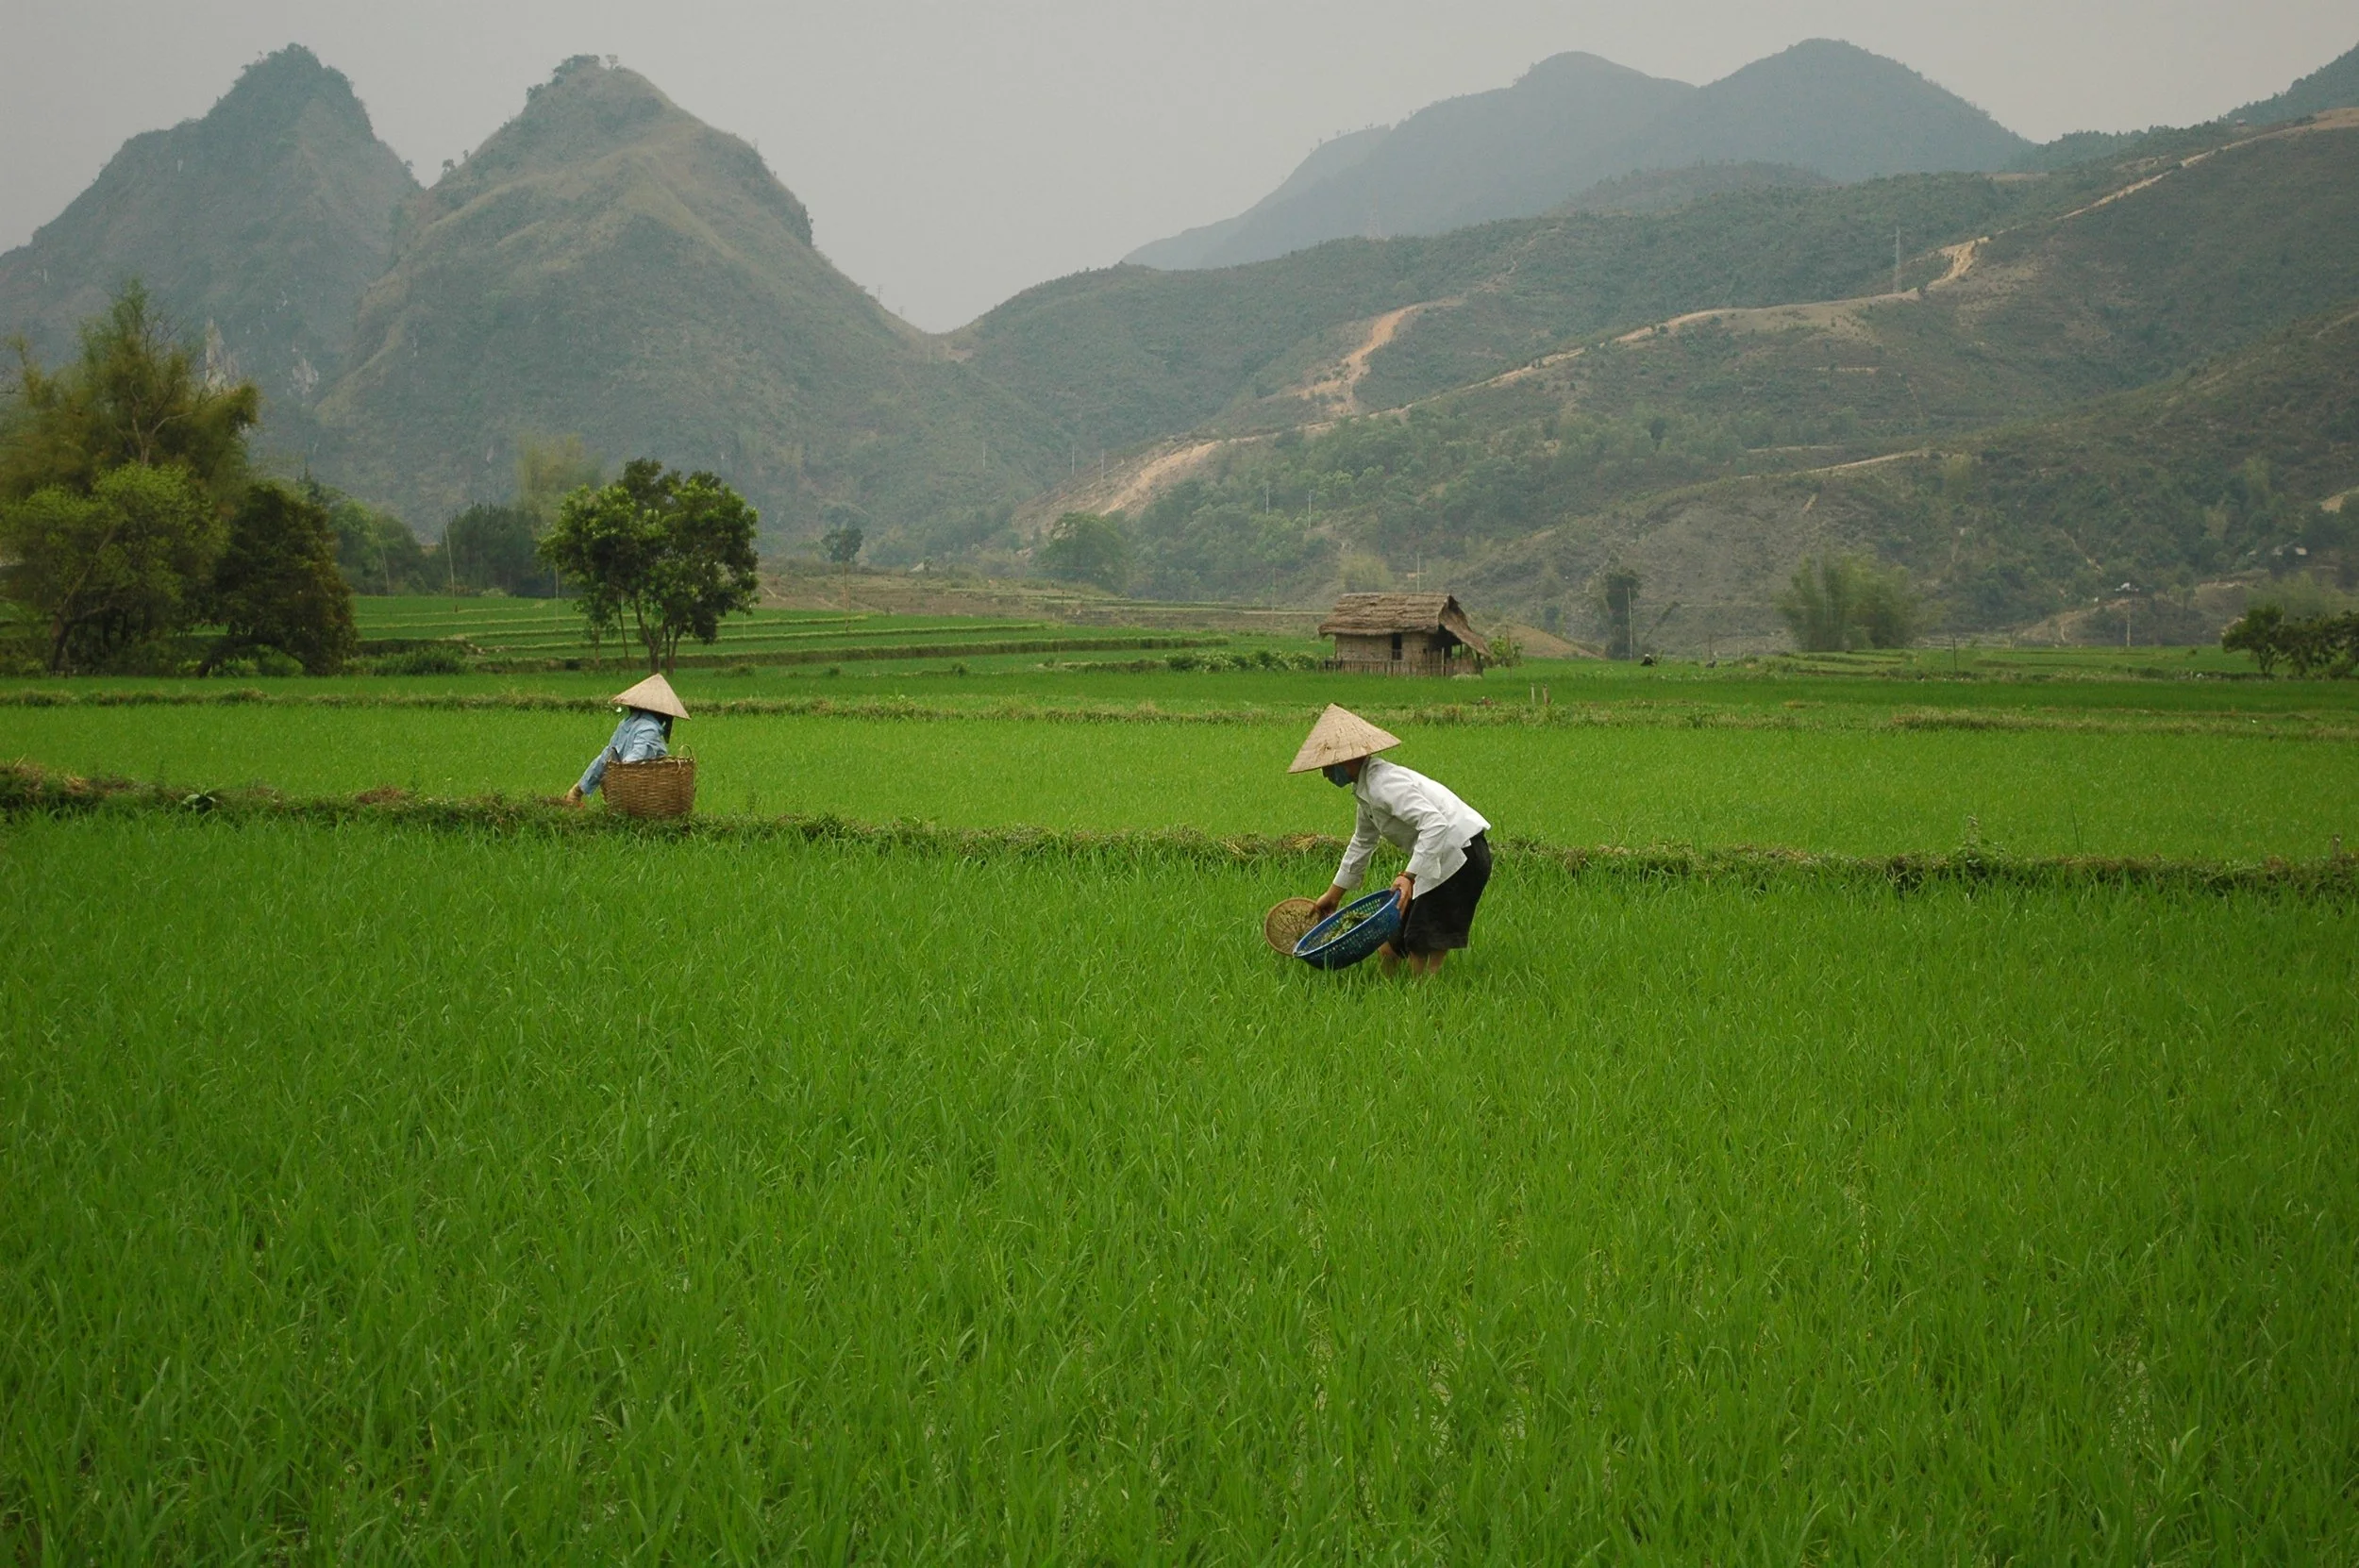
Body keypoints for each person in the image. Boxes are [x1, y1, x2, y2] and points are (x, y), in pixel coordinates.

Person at [1292, 703, 1491, 977]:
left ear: (1348, 760)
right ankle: (1387, 993)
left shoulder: (1383, 784)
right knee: (1389, 944)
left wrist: (1408, 876)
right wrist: (1333, 896)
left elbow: (1435, 823)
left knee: (1421, 942)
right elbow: (1362, 842)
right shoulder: (1365, 792)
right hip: (1436, 856)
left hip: (1461, 856)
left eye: (1328, 767)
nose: (1326, 775)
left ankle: (1423, 998)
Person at [565, 673, 688, 806]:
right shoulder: (650, 729)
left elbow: (605, 758)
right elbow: (634, 759)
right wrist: (619, 776)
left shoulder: (625, 724)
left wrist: (578, 790)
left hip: (622, 795)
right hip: (642, 798)